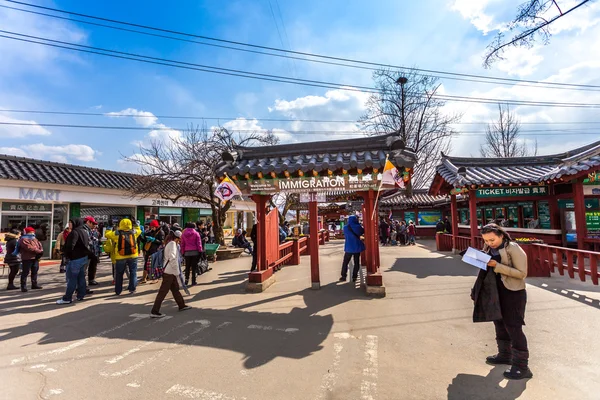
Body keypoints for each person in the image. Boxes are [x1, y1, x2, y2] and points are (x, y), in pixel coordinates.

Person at [475, 223, 532, 380]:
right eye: (486, 240)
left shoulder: (512, 248)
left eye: (492, 239)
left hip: (513, 292)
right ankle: (505, 355)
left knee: (513, 327)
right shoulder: (488, 249)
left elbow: (522, 273)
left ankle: (522, 366)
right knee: (499, 323)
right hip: (495, 291)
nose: (489, 243)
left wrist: (497, 266)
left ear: (501, 235)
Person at [150, 231, 191, 318]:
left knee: (175, 289)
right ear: (178, 238)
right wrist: (177, 272)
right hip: (169, 271)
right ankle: (155, 311)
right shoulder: (172, 244)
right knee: (163, 292)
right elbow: (172, 258)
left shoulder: (171, 243)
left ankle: (181, 305)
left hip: (170, 271)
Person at [57, 218, 96, 304]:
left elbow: (71, 246)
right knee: (81, 277)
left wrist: (67, 255)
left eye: (70, 222)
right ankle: (81, 295)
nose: (69, 224)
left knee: (72, 279)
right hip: (83, 258)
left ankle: (67, 298)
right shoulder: (84, 231)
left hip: (75, 259)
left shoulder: (75, 232)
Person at [106, 218, 142, 295]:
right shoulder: (134, 232)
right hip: (133, 256)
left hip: (120, 256)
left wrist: (109, 227)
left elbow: (107, 235)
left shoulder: (116, 233)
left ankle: (118, 291)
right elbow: (139, 230)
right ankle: (132, 289)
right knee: (133, 273)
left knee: (119, 274)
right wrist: (136, 224)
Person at [15, 226, 44, 292]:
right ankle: (23, 286)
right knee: (25, 272)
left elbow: (39, 245)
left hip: (35, 258)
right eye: (31, 232)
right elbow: (29, 247)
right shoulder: (23, 239)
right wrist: (38, 251)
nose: (33, 233)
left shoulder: (34, 238)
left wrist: (41, 250)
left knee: (35, 271)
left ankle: (34, 284)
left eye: (33, 232)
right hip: (27, 258)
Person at [340, 215, 365, 282]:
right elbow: (362, 231)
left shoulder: (345, 227)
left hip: (348, 247)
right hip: (356, 247)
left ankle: (343, 276)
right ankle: (354, 277)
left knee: (345, 262)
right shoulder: (358, 227)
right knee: (356, 262)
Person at [141, 220, 165, 284]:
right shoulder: (150, 232)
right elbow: (144, 241)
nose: (152, 228)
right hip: (149, 250)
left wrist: (154, 240)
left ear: (156, 226)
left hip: (156, 250)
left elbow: (161, 242)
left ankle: (155, 278)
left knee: (154, 265)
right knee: (146, 263)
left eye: (153, 227)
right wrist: (141, 237)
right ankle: (144, 278)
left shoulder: (161, 232)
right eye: (151, 227)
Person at [84, 216, 100, 288]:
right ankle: (83, 285)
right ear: (88, 222)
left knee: (93, 267)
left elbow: (97, 242)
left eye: (95, 224)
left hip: (94, 251)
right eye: (93, 223)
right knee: (85, 269)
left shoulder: (95, 232)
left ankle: (91, 279)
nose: (94, 225)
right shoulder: (86, 231)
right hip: (88, 252)